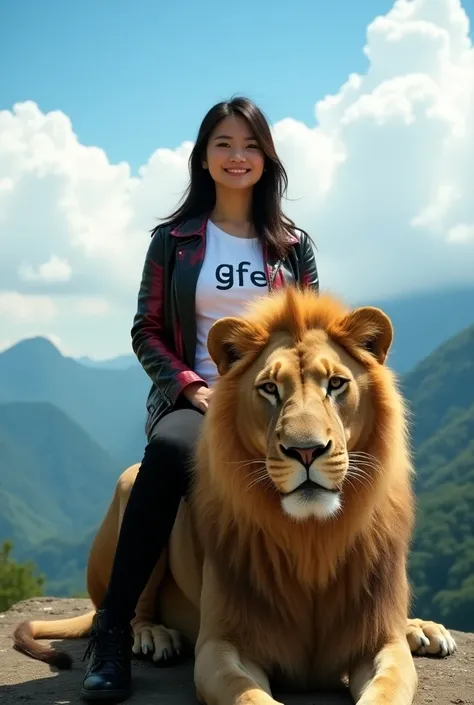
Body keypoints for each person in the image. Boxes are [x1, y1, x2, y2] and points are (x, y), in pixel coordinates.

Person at [80, 95, 319, 702]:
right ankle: (113, 630)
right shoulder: (175, 240)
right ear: (204, 158)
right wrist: (192, 387)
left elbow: (313, 334)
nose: (237, 156)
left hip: (282, 404)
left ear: (266, 159)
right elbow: (146, 331)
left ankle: (369, 623)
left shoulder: (293, 245)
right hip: (199, 401)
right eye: (224, 144)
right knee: (164, 456)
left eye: (249, 145)